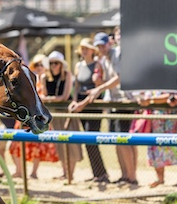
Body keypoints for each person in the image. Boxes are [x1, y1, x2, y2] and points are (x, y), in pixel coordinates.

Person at [86, 29, 139, 186]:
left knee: (124, 141)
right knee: (117, 141)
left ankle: (131, 177)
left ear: (109, 43)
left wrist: (99, 89)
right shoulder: (104, 60)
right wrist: (98, 85)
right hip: (113, 102)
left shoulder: (118, 54)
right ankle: (125, 175)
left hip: (124, 102)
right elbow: (109, 82)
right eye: (99, 46)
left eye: (103, 45)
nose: (101, 49)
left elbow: (120, 78)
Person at [8, 53, 59, 179]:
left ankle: (33, 173)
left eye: (42, 64)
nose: (39, 67)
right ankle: (19, 171)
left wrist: (42, 80)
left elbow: (44, 96)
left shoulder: (44, 79)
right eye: (37, 64)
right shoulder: (28, 78)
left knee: (37, 147)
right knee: (14, 145)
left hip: (37, 117)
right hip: (23, 117)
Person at [69, 38, 109, 183]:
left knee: (92, 138)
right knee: (87, 139)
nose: (84, 50)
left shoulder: (98, 64)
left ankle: (101, 173)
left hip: (92, 105)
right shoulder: (79, 65)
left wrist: (98, 82)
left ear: (92, 50)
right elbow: (77, 86)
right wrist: (74, 100)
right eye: (82, 48)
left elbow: (100, 86)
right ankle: (97, 173)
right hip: (81, 104)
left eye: (87, 48)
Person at [39, 51, 83, 181]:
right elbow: (44, 97)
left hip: (67, 113)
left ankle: (70, 174)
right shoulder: (44, 77)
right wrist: (52, 99)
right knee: (59, 143)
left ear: (61, 64)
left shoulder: (67, 75)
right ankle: (65, 173)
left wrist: (50, 99)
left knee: (72, 143)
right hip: (54, 114)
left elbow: (64, 96)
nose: (53, 66)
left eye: (56, 63)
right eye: (51, 63)